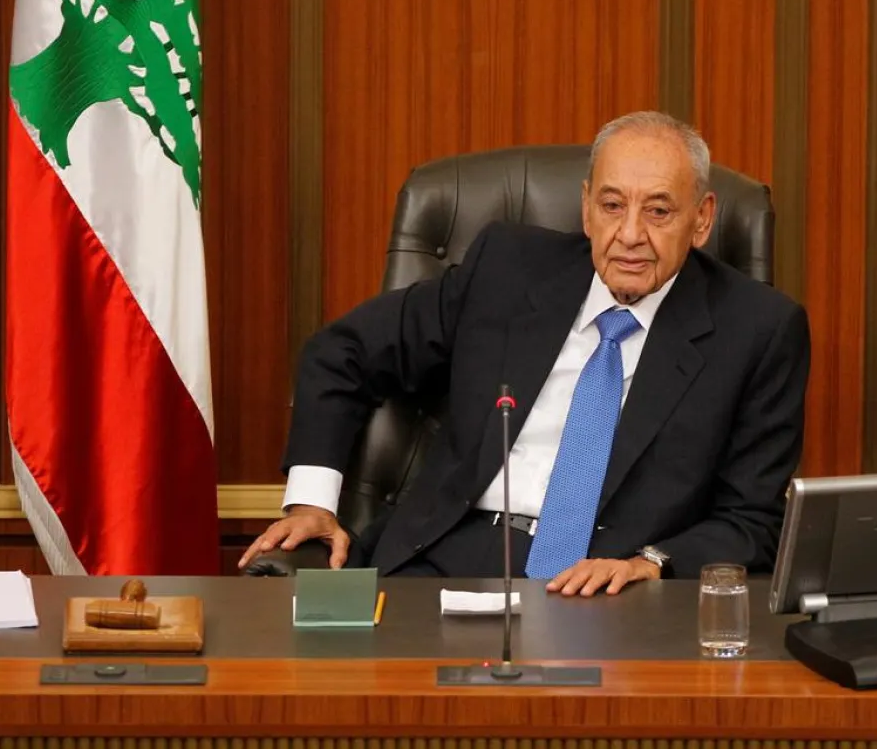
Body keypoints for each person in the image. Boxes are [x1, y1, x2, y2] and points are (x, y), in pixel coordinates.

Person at [239, 111, 810, 596]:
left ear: (703, 218)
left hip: (611, 586)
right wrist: (310, 502)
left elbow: (752, 520)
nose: (631, 234)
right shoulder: (507, 270)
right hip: (443, 557)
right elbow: (343, 350)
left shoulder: (757, 330)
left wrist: (653, 563)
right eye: (612, 205)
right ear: (586, 208)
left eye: (658, 211)